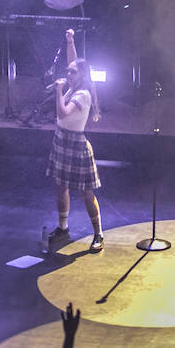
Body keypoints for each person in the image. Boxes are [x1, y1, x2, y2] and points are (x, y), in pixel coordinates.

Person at [46, 29, 104, 252]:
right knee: (60, 187)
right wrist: (70, 41)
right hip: (61, 141)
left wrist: (59, 90)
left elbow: (62, 113)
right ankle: (63, 228)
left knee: (86, 193)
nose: (68, 74)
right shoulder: (76, 83)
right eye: (68, 73)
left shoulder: (83, 94)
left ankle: (98, 233)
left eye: (72, 73)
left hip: (77, 146)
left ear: (80, 75)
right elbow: (74, 60)